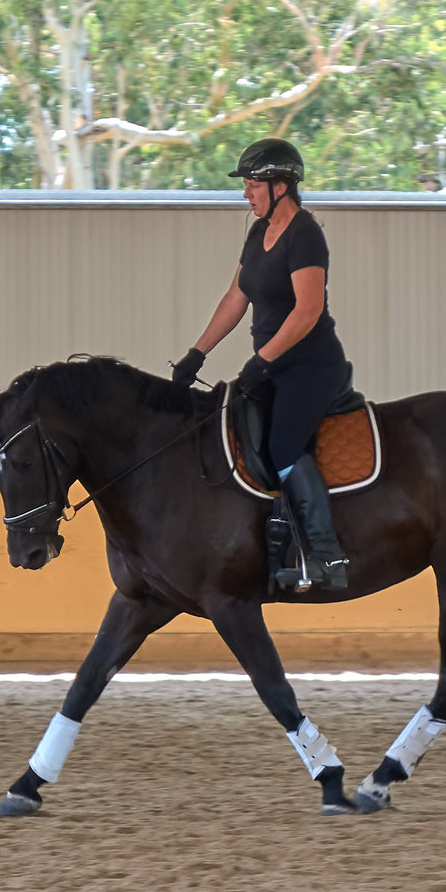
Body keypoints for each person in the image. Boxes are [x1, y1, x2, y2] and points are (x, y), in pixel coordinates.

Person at [171, 137, 355, 591]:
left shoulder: (305, 234)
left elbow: (307, 311)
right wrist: (198, 352)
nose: (246, 193)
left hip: (311, 366)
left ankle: (326, 558)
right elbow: (237, 297)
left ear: (280, 185)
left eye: (253, 184)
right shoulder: (258, 232)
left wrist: (262, 359)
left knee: (282, 447)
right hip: (272, 367)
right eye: (247, 185)